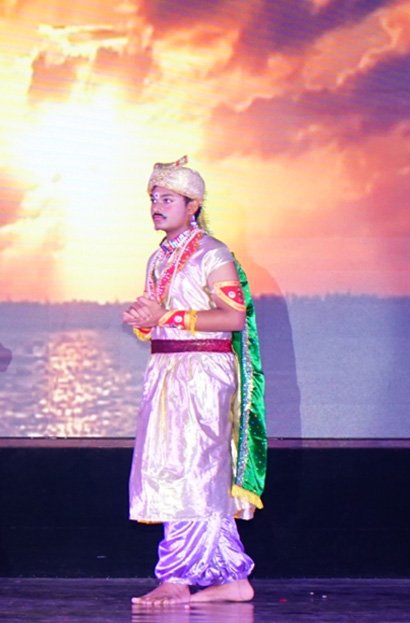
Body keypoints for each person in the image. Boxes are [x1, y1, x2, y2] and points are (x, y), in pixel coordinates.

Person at [122, 157, 267, 606]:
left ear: (193, 206)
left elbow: (233, 318)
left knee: (198, 470)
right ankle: (227, 578)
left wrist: (166, 316)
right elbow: (158, 317)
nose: (156, 206)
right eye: (153, 198)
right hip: (167, 369)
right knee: (170, 468)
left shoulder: (213, 253)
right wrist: (144, 321)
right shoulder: (159, 257)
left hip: (203, 372)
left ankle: (180, 577)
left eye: (167, 199)